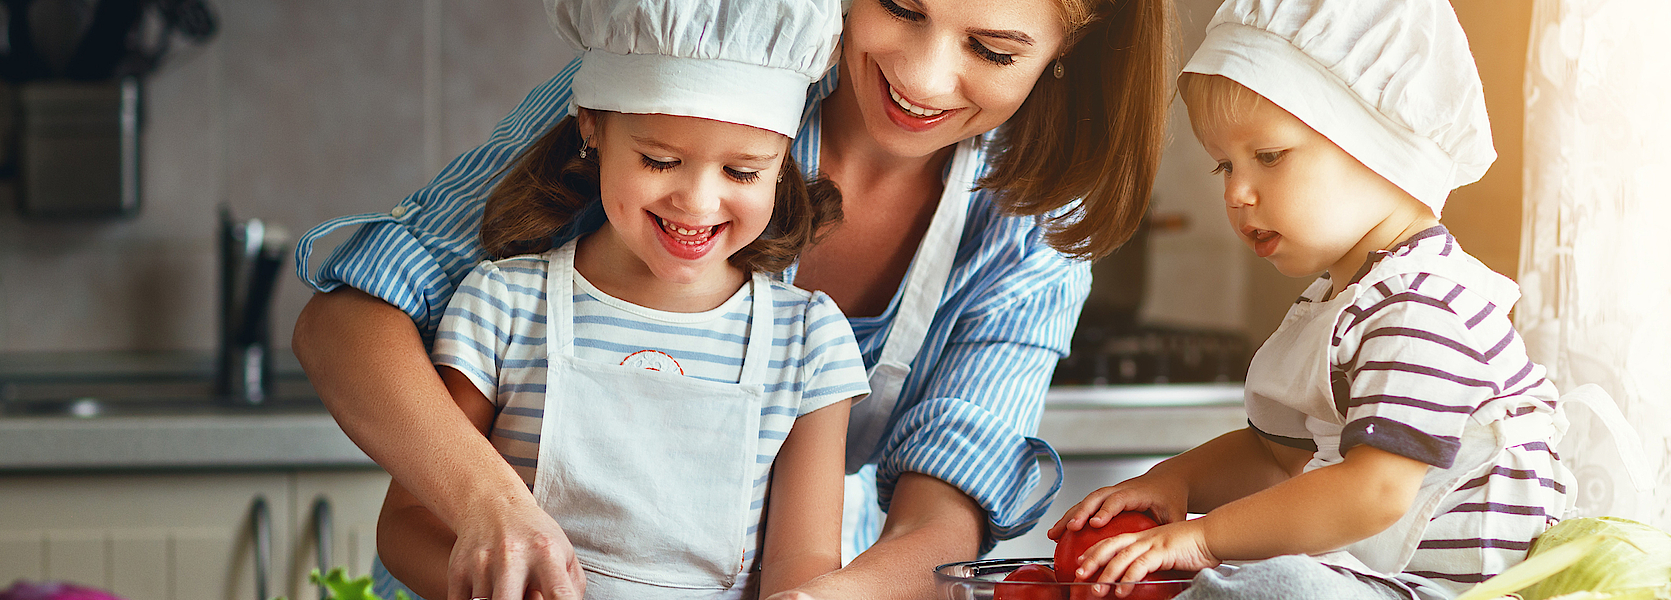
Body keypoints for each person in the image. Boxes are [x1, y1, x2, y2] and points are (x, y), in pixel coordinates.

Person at [288, 0, 1173, 598]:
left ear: (1066, 55)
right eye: (901, 3)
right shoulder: (696, 66)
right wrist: (494, 510)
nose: (924, 76)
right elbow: (351, 320)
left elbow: (945, 507)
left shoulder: (1033, 219)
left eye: (993, 48)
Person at [1046, 1, 1574, 599]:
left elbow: (1373, 491)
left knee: (1266, 585)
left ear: (1379, 144)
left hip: (1447, 593)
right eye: (1224, 165)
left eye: (1268, 157)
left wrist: (1203, 539)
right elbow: (1277, 460)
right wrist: (1176, 483)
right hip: (1381, 583)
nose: (1237, 194)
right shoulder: (1347, 301)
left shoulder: (1423, 309)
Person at [368, 1, 868, 598]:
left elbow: (804, 564)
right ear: (592, 126)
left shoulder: (807, 341)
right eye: (660, 160)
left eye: (742, 173)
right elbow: (406, 527)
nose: (698, 202)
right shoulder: (504, 305)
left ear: (782, 163)